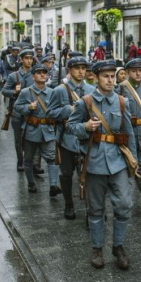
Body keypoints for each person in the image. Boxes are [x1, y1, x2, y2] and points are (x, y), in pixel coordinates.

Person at [68, 60, 138, 270]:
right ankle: (97, 248)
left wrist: (132, 161)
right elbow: (71, 126)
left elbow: (129, 133)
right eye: (105, 76)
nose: (110, 80)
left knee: (124, 205)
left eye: (112, 76)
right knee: (96, 210)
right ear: (96, 78)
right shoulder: (86, 103)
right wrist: (85, 126)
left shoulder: (122, 102)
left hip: (117, 162)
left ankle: (118, 246)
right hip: (94, 162)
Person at [47, 56, 94, 219]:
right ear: (70, 70)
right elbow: (50, 113)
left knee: (90, 175)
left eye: (83, 68)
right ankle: (68, 205)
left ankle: (92, 208)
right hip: (66, 139)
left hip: (86, 138)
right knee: (66, 174)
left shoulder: (91, 90)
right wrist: (68, 110)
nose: (81, 72)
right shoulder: (60, 90)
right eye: (77, 68)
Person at [118, 58, 141, 218]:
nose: (138, 73)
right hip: (126, 137)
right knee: (123, 171)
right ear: (127, 73)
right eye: (134, 71)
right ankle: (122, 204)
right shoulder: (120, 90)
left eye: (140, 70)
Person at [14, 64, 59, 194]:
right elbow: (17, 107)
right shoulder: (25, 92)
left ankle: (53, 186)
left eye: (44, 73)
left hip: (48, 130)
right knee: (28, 159)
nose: (42, 75)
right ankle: (31, 183)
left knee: (52, 158)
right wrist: (28, 108)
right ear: (33, 76)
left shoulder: (52, 92)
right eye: (39, 73)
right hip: (31, 131)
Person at [2, 49, 36, 171]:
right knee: (18, 139)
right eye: (26, 58)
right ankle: (20, 161)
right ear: (21, 60)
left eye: (31, 58)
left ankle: (31, 162)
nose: (29, 61)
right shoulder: (13, 76)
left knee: (32, 138)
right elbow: (4, 90)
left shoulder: (35, 74)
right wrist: (14, 91)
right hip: (17, 112)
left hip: (32, 111)